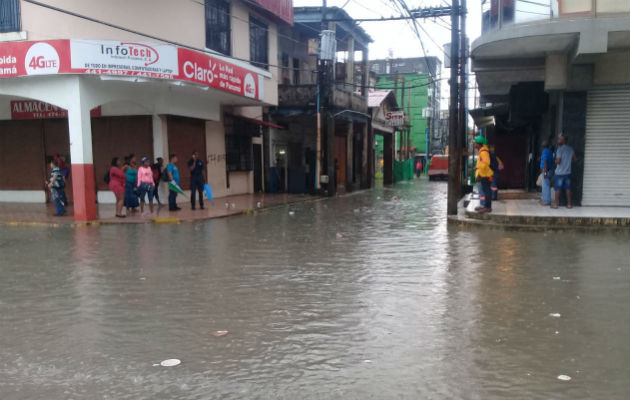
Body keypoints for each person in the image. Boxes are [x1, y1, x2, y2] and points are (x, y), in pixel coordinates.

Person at [552, 134, 578, 209]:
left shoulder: (560, 149)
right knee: (568, 189)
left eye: (560, 139)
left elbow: (558, 161)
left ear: (564, 141)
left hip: (559, 173)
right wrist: (568, 162)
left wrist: (555, 160)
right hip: (568, 172)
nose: (558, 140)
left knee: (558, 188)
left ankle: (556, 204)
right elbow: (575, 159)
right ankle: (569, 204)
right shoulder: (570, 149)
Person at [473, 135, 493, 213]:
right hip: (484, 174)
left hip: (486, 175)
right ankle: (485, 206)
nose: (474, 144)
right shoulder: (482, 151)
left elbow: (486, 163)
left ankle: (488, 207)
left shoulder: (484, 152)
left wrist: (479, 169)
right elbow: (482, 163)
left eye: (475, 143)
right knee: (485, 190)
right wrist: (477, 167)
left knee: (487, 191)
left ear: (479, 144)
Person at [539, 140, 555, 206]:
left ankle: (546, 201)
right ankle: (545, 200)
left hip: (546, 170)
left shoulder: (545, 151)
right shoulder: (550, 151)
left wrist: (545, 172)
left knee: (545, 186)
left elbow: (545, 161)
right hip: (550, 170)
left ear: (543, 146)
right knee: (547, 185)